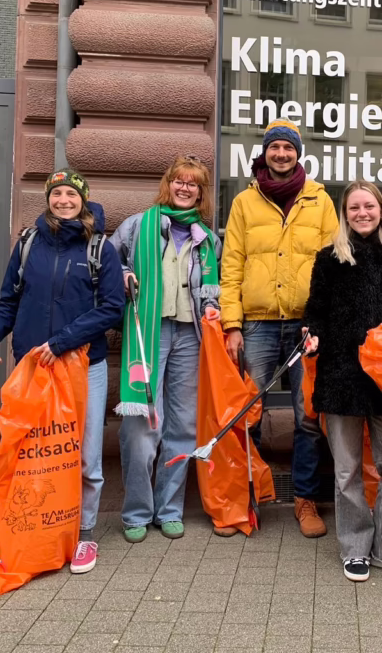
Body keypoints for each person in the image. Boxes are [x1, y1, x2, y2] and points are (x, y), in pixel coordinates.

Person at [0, 169, 125, 575]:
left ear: (82, 199)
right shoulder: (28, 244)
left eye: (70, 194)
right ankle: (37, 528)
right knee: (33, 453)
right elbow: (9, 301)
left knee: (84, 456)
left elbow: (113, 309)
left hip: (81, 367)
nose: (63, 200)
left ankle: (84, 535)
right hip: (32, 368)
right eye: (56, 193)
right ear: (48, 198)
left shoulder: (99, 249)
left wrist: (61, 342)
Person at [302, 181, 382, 582]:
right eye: (354, 207)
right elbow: (315, 311)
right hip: (341, 376)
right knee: (347, 470)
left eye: (369, 206)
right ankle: (355, 547)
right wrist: (312, 333)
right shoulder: (328, 259)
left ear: (380, 210)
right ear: (345, 213)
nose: (362, 213)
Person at [220, 118, 338, 538]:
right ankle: (241, 498)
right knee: (246, 414)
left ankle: (305, 501)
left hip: (306, 327)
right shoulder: (244, 203)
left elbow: (334, 268)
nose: (282, 154)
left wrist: (322, 322)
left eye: (289, 148)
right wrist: (232, 324)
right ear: (265, 153)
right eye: (275, 148)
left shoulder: (320, 201)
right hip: (258, 326)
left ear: (298, 153)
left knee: (308, 416)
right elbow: (231, 266)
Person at [109, 156, 222, 543]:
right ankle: (137, 511)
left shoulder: (207, 238)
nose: (186, 188)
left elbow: (216, 289)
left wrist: (214, 307)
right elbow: (108, 263)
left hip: (191, 336)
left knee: (184, 424)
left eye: (194, 184)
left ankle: (170, 508)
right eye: (180, 181)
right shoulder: (137, 226)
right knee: (141, 423)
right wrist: (123, 274)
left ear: (201, 192)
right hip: (148, 331)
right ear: (168, 184)